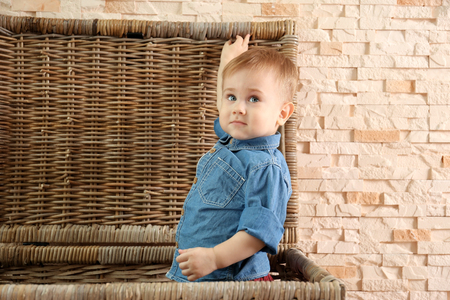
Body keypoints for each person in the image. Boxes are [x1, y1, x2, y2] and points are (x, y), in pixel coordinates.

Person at [166, 34, 298, 282]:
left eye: (254, 99)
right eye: (232, 97)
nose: (238, 107)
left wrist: (214, 258)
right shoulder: (233, 140)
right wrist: (227, 62)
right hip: (200, 275)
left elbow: (258, 233)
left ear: (282, 113)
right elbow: (224, 104)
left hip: (233, 283)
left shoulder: (265, 167)